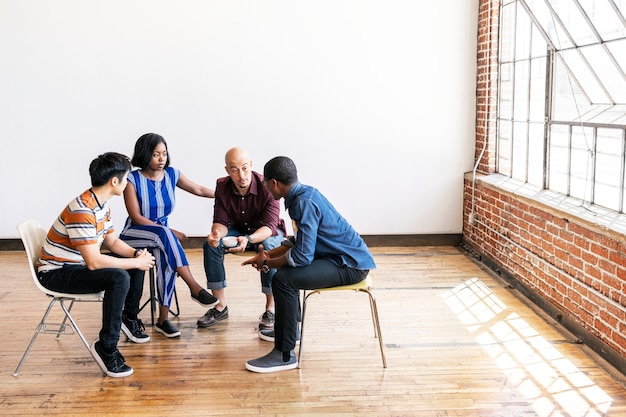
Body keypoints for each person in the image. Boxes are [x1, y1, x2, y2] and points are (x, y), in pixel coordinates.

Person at [242, 156, 376, 373]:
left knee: (283, 280)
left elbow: (302, 257)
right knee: (285, 274)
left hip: (350, 265)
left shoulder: (303, 203)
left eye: (266, 183)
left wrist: (269, 263)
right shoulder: (303, 195)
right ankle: (290, 332)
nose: (265, 187)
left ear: (274, 183)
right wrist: (266, 256)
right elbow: (298, 241)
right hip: (338, 258)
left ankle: (285, 355)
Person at [37, 152, 155, 378]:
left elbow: (111, 241)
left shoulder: (101, 204)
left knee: (136, 263)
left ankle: (128, 319)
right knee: (121, 275)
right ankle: (107, 348)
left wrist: (136, 255)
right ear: (114, 181)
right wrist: (133, 262)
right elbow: (93, 261)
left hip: (74, 265)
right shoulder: (82, 210)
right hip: (56, 272)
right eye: (126, 178)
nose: (128, 182)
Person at [120, 133, 219, 338]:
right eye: (156, 154)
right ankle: (193, 286)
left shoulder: (172, 174)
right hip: (134, 234)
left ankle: (163, 320)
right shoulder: (132, 179)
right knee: (166, 236)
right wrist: (170, 231)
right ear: (145, 154)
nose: (161, 158)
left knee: (166, 258)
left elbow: (198, 189)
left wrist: (224, 195)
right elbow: (136, 217)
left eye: (164, 153)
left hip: (161, 237)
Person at [200, 147, 287, 329]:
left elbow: (270, 227)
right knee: (210, 246)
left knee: (269, 245)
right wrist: (216, 234)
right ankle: (219, 305)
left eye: (245, 168)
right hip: (237, 230)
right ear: (227, 171)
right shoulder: (222, 186)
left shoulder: (268, 185)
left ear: (251, 165)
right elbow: (221, 221)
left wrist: (248, 238)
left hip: (263, 233)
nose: (241, 175)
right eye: (234, 169)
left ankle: (271, 308)